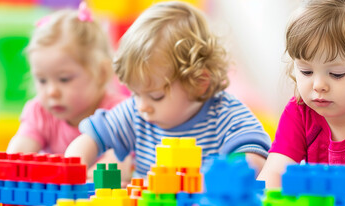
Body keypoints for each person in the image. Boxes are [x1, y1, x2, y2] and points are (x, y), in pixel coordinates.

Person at [65, 1, 271, 179]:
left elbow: (254, 157)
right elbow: (90, 138)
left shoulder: (225, 114)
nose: (142, 106)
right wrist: (74, 167)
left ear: (199, 82)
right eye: (135, 94)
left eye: (156, 96)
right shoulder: (134, 113)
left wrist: (225, 178)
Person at [258, 0, 345, 188]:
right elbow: (275, 172)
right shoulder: (299, 113)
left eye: (336, 74)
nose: (318, 86)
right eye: (306, 71)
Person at [7, 3, 131, 181]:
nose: (51, 92)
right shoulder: (40, 112)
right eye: (42, 80)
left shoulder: (117, 112)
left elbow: (117, 170)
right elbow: (17, 156)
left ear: (101, 73)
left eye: (64, 79)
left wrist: (75, 179)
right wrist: (11, 170)